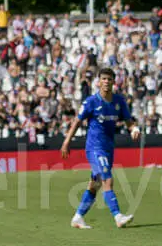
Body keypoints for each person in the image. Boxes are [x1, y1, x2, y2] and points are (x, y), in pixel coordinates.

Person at [60, 67, 140, 229]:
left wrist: (134, 129)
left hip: (109, 147)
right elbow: (77, 121)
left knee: (94, 184)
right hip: (95, 148)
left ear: (113, 82)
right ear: (98, 82)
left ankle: (77, 217)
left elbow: (128, 121)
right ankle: (118, 216)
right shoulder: (91, 102)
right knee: (107, 179)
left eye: (109, 79)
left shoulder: (119, 101)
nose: (106, 82)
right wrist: (67, 141)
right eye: (103, 79)